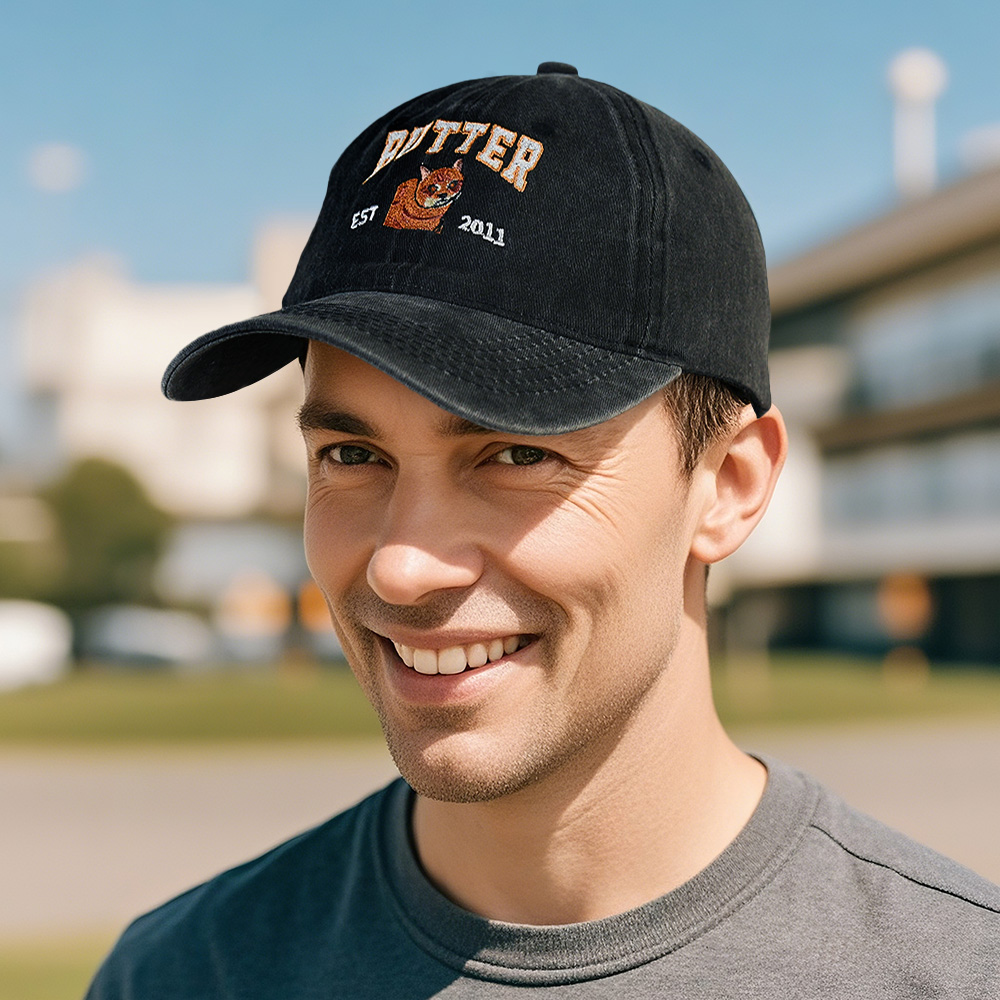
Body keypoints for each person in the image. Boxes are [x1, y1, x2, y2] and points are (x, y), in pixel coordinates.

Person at [86, 63, 998, 998]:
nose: (402, 565)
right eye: (353, 457)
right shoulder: (188, 972)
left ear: (727, 484)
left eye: (517, 455)